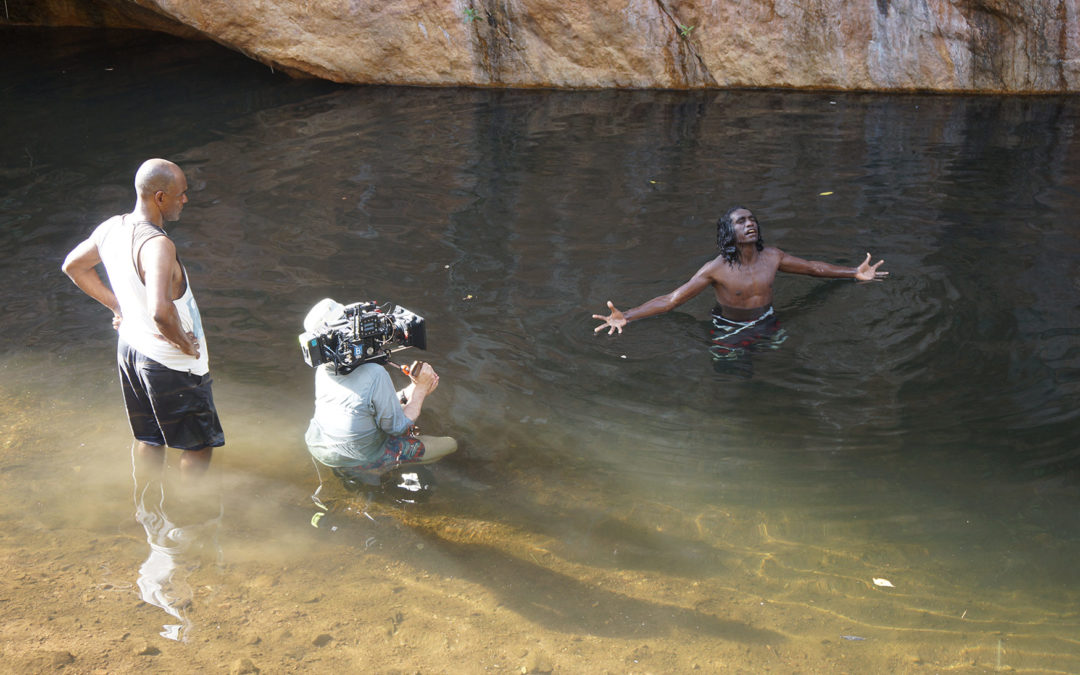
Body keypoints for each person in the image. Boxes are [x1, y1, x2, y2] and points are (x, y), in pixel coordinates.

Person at [62, 158, 224, 476]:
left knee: (149, 438)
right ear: (159, 197)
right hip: (170, 362)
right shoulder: (158, 244)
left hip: (131, 350)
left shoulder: (111, 228)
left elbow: (73, 266)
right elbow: (161, 312)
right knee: (198, 446)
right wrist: (185, 346)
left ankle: (149, 510)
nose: (185, 200)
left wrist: (118, 307)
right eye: (180, 194)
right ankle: (189, 521)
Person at [593, 206, 888, 349]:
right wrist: (628, 316)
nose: (750, 225)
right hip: (729, 328)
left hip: (770, 320)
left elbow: (813, 268)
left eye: (752, 220)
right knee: (734, 375)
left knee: (780, 364)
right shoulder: (716, 269)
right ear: (728, 232)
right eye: (741, 222)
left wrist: (853, 272)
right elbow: (672, 300)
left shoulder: (772, 257)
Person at [302, 300, 457, 488]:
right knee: (450, 444)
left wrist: (414, 389)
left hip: (320, 447)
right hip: (358, 458)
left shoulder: (324, 369)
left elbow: (364, 403)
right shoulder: (375, 373)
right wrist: (422, 391)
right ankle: (382, 467)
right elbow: (399, 427)